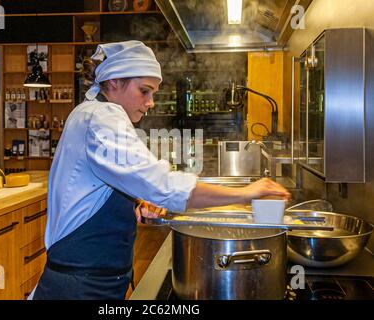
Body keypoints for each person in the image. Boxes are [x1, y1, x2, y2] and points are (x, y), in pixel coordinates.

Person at [32, 40, 290, 300]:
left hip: (94, 280)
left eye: (153, 93)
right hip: (79, 288)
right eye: (144, 91)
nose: (151, 102)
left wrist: (133, 204)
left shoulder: (92, 114)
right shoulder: (102, 118)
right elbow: (163, 185)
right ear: (114, 82)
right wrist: (246, 193)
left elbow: (95, 191)